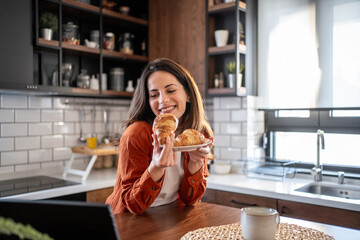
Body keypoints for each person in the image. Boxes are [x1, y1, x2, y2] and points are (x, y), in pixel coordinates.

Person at [106, 58, 214, 215]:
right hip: (127, 222)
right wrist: (156, 168)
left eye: (170, 91)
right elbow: (132, 206)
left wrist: (196, 163)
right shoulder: (136, 134)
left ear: (188, 94)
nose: (162, 100)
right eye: (154, 95)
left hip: (167, 218)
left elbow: (190, 200)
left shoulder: (196, 135)